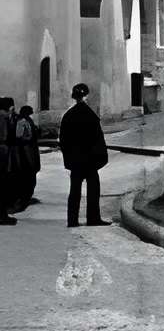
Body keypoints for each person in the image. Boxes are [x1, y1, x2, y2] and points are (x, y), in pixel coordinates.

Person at [59, 83, 109, 227]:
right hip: (90, 160)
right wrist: (100, 156)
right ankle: (93, 218)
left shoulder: (68, 115)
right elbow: (97, 138)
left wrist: (69, 158)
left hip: (76, 160)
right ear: (86, 95)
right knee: (93, 189)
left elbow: (63, 140)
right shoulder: (90, 114)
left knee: (74, 190)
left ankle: (72, 220)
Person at [13, 106, 40, 209]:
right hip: (25, 149)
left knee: (31, 170)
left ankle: (27, 194)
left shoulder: (27, 120)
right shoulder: (21, 122)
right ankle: (24, 196)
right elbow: (19, 136)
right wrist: (28, 138)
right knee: (27, 170)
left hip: (30, 148)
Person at [0, 97, 16, 225]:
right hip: (2, 151)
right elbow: (6, 135)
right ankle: (2, 215)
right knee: (4, 184)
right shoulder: (4, 117)